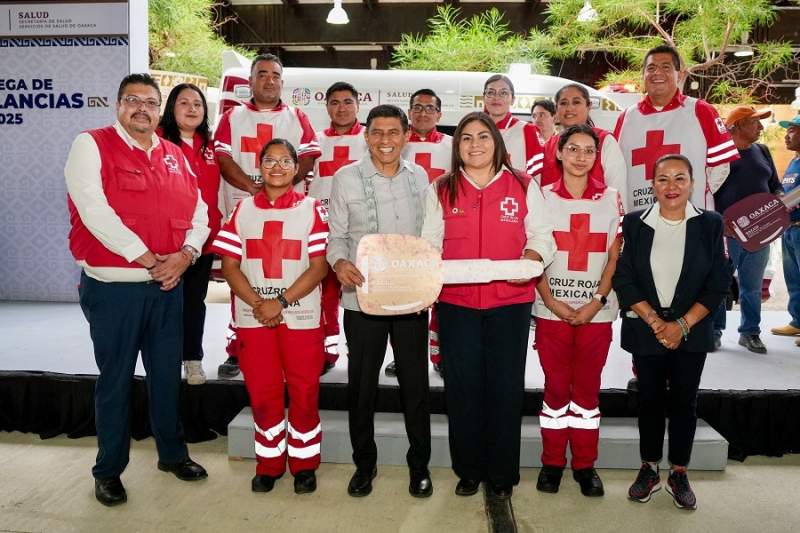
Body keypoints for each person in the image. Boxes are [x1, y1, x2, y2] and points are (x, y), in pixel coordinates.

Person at [65, 73, 210, 507]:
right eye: (133, 100)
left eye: (150, 102)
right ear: (118, 105)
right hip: (115, 291)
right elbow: (94, 209)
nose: (141, 109)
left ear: (158, 109)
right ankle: (108, 470)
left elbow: (199, 210)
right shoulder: (91, 145)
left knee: (167, 378)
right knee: (116, 381)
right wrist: (148, 259)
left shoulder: (174, 155)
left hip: (168, 287)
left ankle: (172, 454)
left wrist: (185, 254)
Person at [421, 111, 555, 499]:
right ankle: (468, 469)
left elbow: (543, 236)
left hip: (509, 303)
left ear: (497, 142)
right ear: (456, 145)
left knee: (505, 387)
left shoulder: (523, 185)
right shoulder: (441, 188)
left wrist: (530, 258)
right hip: (456, 304)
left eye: (483, 136)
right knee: (462, 388)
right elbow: (429, 243)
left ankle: (502, 473)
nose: (475, 144)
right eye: (466, 138)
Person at [612, 154, 730, 511]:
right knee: (648, 401)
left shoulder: (710, 223)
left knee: (684, 402)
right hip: (647, 327)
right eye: (663, 179)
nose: (672, 186)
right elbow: (623, 277)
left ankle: (679, 471)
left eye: (680, 178)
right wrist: (655, 321)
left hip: (691, 329)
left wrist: (681, 325)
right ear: (652, 185)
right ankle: (648, 468)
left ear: (693, 184)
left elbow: (719, 281)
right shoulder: (634, 223)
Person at [210, 138, 328, 494]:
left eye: (285, 161)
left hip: (301, 315)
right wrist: (260, 304)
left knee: (304, 391)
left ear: (296, 168)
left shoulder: (312, 209)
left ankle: (305, 465)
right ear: (259, 167)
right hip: (253, 316)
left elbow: (319, 267)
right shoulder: (241, 211)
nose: (277, 167)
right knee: (262, 392)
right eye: (269, 161)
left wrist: (280, 302)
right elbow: (229, 267)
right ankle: (270, 464)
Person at [326, 104, 432, 498]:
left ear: (406, 136)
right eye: (377, 132)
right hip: (362, 302)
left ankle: (419, 465)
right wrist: (339, 261)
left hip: (409, 302)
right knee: (362, 387)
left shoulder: (420, 177)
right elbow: (335, 235)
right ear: (366, 135)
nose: (385, 140)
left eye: (393, 132)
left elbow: (427, 236)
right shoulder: (345, 179)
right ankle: (364, 465)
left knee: (415, 387)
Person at [214, 53, 321, 378]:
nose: (269, 80)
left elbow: (308, 157)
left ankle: (295, 341)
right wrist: (253, 187)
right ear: (251, 81)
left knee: (294, 273)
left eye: (275, 75)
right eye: (262, 74)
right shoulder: (232, 117)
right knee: (244, 276)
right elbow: (223, 157)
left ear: (282, 82)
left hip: (291, 212)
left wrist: (283, 183)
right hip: (245, 211)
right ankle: (237, 347)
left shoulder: (296, 116)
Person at [533, 125, 623, 497]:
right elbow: (533, 253)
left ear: (597, 156)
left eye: (589, 150)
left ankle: (585, 465)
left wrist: (596, 301)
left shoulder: (612, 197)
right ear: (559, 152)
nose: (580, 156)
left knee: (587, 393)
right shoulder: (540, 196)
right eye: (573, 149)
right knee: (555, 391)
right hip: (550, 309)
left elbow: (614, 255)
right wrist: (552, 302)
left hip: (596, 313)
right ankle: (553, 461)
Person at [614, 45, 739, 211]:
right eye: (651, 68)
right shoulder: (626, 118)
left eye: (666, 67)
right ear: (643, 75)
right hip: (640, 223)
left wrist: (695, 194)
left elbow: (721, 166)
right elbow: (616, 171)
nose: (657, 72)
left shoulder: (701, 111)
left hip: (691, 220)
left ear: (679, 75)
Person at [384, 88, 453, 378]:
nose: (423, 113)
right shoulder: (395, 143)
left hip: (442, 230)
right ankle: (403, 356)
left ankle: (441, 354)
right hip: (405, 231)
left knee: (440, 295)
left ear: (439, 114)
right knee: (405, 296)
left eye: (430, 108)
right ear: (409, 112)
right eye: (417, 107)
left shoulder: (452, 146)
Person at [157, 83, 222, 385]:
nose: (192, 108)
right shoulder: (156, 141)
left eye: (198, 103)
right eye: (184, 102)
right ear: (171, 108)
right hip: (167, 245)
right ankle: (165, 363)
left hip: (202, 242)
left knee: (194, 304)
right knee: (165, 307)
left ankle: (192, 360)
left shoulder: (210, 145)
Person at [711, 106, 782, 354]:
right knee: (720, 283)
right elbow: (708, 191)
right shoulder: (720, 154)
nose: (761, 128)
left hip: (760, 232)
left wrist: (777, 212)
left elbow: (775, 185)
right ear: (738, 125)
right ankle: (714, 331)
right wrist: (717, 222)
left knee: (752, 286)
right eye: (755, 123)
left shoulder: (762, 151)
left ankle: (750, 333)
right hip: (727, 233)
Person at [308, 81, 368, 374]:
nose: (341, 108)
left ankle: (364, 355)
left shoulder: (370, 139)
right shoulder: (314, 141)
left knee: (366, 291)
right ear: (326, 106)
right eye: (334, 102)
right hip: (322, 226)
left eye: (347, 102)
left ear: (358, 105)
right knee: (324, 294)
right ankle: (326, 352)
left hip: (359, 229)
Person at [540, 84, 628, 210]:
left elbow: (618, 192)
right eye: (563, 103)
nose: (569, 108)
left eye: (576, 102)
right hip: (555, 224)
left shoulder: (605, 141)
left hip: (597, 222)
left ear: (589, 106)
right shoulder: (547, 146)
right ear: (556, 109)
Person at [772, 115, 800, 344]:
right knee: (794, 279)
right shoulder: (793, 162)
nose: (786, 135)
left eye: (791, 130)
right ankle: (797, 322)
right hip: (790, 229)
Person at [483, 74, 545, 177]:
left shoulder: (528, 130)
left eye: (503, 93)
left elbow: (537, 175)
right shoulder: (473, 130)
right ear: (484, 98)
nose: (496, 97)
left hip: (516, 192)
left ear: (513, 99)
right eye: (490, 92)